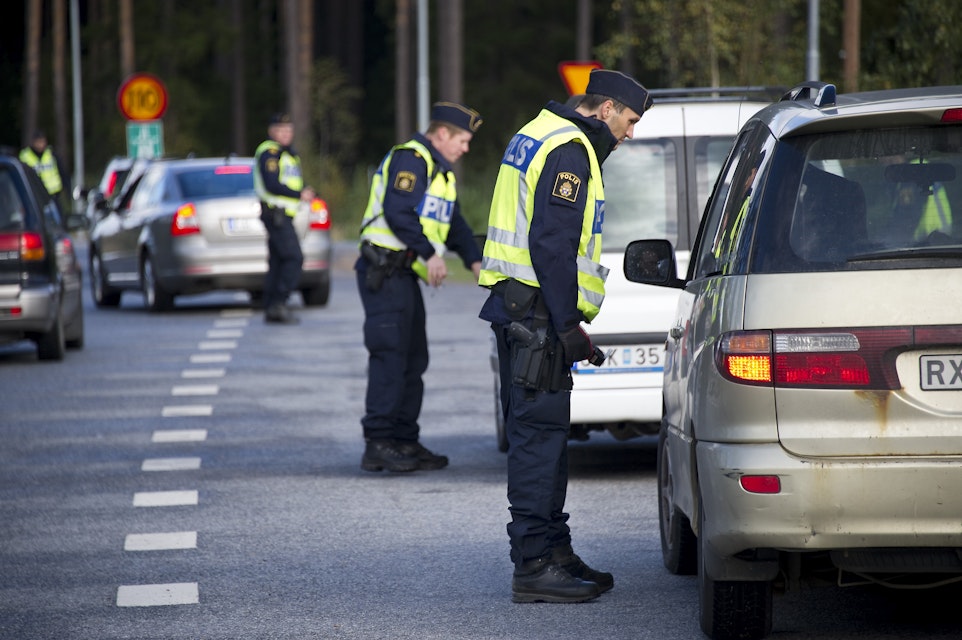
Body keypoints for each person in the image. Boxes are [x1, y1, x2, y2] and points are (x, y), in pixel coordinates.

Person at [478, 69, 652, 603]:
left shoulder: (540, 131)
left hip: (525, 311)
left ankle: (555, 551)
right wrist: (565, 324)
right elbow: (551, 245)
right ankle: (533, 566)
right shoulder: (569, 150)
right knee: (537, 444)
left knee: (549, 443)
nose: (629, 134)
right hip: (537, 316)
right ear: (605, 110)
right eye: (628, 120)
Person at [356, 101, 483, 473]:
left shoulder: (441, 174)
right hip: (384, 271)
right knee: (390, 357)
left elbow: (454, 222)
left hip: (402, 275)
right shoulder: (412, 160)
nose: (465, 148)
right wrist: (430, 254)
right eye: (462, 139)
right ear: (441, 134)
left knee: (413, 359)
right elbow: (398, 213)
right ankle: (379, 443)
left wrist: (473, 259)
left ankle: (404, 441)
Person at [253, 113, 315, 324]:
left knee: (278, 260)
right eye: (281, 130)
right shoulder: (270, 152)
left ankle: (271, 307)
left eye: (288, 130)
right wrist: (300, 195)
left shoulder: (288, 154)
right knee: (294, 258)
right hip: (275, 213)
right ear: (272, 131)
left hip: (283, 214)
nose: (285, 134)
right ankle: (279, 303)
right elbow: (271, 183)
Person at [20, 130, 70, 211]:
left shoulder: (51, 154)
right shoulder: (25, 156)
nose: (41, 144)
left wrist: (67, 190)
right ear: (33, 142)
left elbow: (63, 173)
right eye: (38, 142)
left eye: (42, 141)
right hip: (34, 195)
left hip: (53, 195)